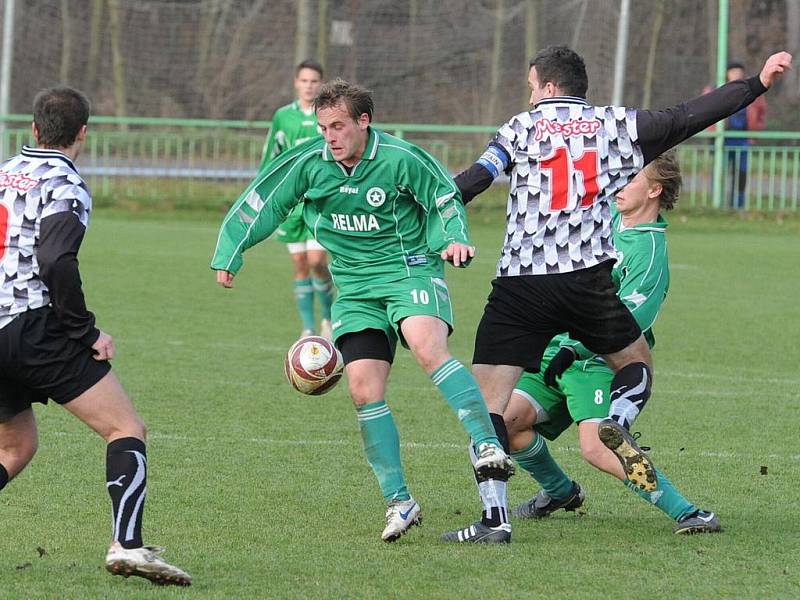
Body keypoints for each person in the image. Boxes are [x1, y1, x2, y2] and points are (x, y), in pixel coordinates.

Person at [442, 46, 791, 543]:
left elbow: (473, 180)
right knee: (636, 363)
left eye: (530, 85)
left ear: (544, 86)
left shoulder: (519, 128)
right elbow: (689, 116)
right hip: (585, 281)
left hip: (522, 284)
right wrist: (755, 83)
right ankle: (613, 429)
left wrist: (426, 206)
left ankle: (494, 521)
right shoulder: (616, 125)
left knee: (487, 409)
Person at [211, 78, 512, 542]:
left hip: (409, 269)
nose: (329, 137)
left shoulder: (399, 158)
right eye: (323, 127)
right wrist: (231, 250)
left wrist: (453, 237)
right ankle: (400, 501)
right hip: (353, 286)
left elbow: (444, 197)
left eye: (338, 126)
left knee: (427, 346)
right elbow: (264, 200)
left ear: (364, 122)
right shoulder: (310, 161)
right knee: (362, 389)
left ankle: (488, 444)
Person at [0, 87, 190, 584]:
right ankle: (127, 545)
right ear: (83, 132)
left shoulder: (2, 173)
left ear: (34, 129)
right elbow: (55, 260)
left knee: (13, 449)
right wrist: (85, 332)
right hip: (33, 327)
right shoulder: (66, 183)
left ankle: (129, 543)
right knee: (126, 427)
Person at [504, 150, 720, 534]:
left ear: (654, 189)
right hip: (557, 349)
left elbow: (631, 321)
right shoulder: (601, 220)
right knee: (504, 422)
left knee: (598, 446)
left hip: (596, 363)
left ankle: (689, 513)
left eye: (630, 177)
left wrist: (578, 346)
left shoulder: (649, 252)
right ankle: (560, 492)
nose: (617, 183)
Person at [261, 59, 334, 338]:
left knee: (317, 261)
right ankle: (307, 328)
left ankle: (328, 317)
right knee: (300, 264)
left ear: (321, 84)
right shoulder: (283, 117)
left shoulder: (327, 115)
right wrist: (266, 192)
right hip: (291, 205)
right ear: (296, 83)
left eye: (314, 81)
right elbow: (272, 156)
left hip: (320, 202)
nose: (309, 86)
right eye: (304, 81)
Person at [721, 62, 767, 209]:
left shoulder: (752, 91)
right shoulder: (718, 90)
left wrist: (754, 134)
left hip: (743, 140)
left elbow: (760, 114)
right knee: (721, 171)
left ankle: (738, 204)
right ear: (727, 74)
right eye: (733, 72)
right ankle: (719, 203)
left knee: (741, 173)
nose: (736, 75)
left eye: (739, 72)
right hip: (724, 139)